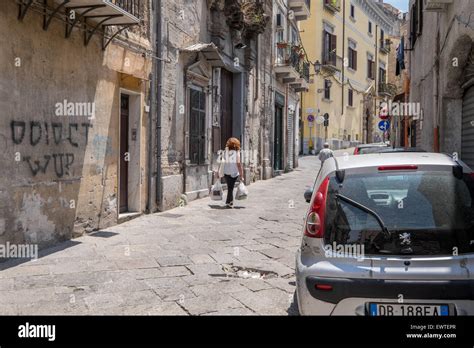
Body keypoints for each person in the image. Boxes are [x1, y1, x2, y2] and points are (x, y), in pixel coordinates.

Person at [222, 137, 244, 209]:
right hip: (233, 173)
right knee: (230, 188)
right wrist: (241, 174)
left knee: (230, 187)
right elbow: (238, 163)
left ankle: (228, 202)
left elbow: (222, 161)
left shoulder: (225, 152)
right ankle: (230, 202)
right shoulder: (236, 152)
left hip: (226, 172)